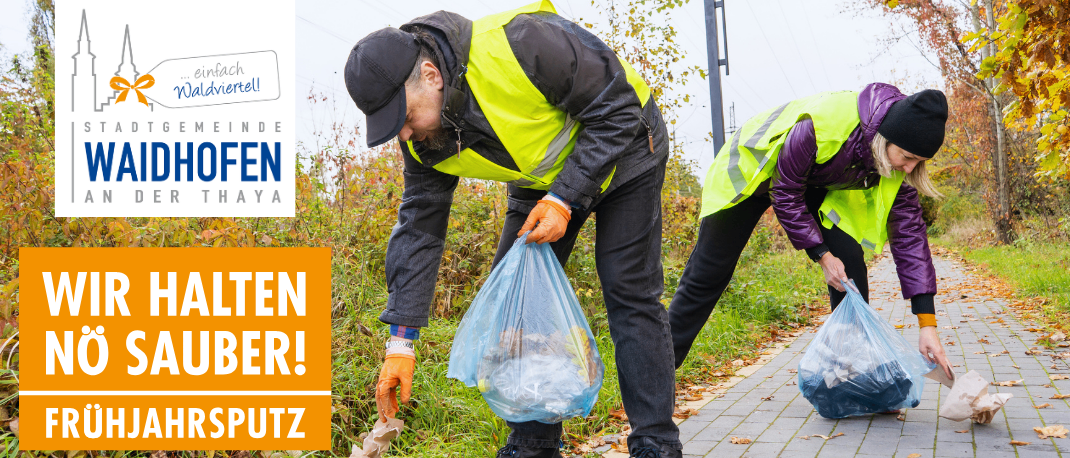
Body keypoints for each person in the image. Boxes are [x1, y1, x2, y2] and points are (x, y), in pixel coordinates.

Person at [342, 1, 682, 457]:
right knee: (516, 305)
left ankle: (656, 441)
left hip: (625, 152)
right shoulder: (426, 140)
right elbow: (419, 229)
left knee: (629, 291)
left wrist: (564, 199)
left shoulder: (523, 44)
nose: (404, 135)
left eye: (404, 118)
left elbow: (617, 111)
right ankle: (534, 444)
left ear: (431, 75)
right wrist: (400, 341)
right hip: (539, 182)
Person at [668, 83, 955, 385]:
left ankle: (853, 379)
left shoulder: (897, 163)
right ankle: (657, 374)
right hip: (751, 171)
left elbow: (910, 238)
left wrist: (927, 325)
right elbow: (785, 193)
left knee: (850, 268)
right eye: (907, 157)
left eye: (918, 162)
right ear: (885, 139)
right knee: (708, 274)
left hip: (812, 181)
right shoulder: (821, 127)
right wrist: (822, 255)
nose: (909, 169)